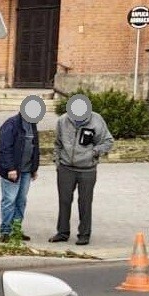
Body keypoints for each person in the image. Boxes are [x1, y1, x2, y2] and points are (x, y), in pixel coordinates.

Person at [52, 94, 115, 245]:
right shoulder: (62, 121)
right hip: (66, 168)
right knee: (64, 201)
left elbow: (108, 141)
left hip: (87, 169)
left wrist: (94, 152)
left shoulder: (96, 120)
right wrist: (57, 162)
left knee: (85, 203)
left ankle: (84, 234)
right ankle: (62, 232)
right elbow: (57, 143)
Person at [0, 96, 44, 241]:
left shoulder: (32, 124)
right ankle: (5, 231)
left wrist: (34, 168)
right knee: (9, 200)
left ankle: (16, 230)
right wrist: (10, 168)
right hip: (12, 171)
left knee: (21, 200)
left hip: (26, 170)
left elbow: (35, 147)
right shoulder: (11, 124)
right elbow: (4, 148)